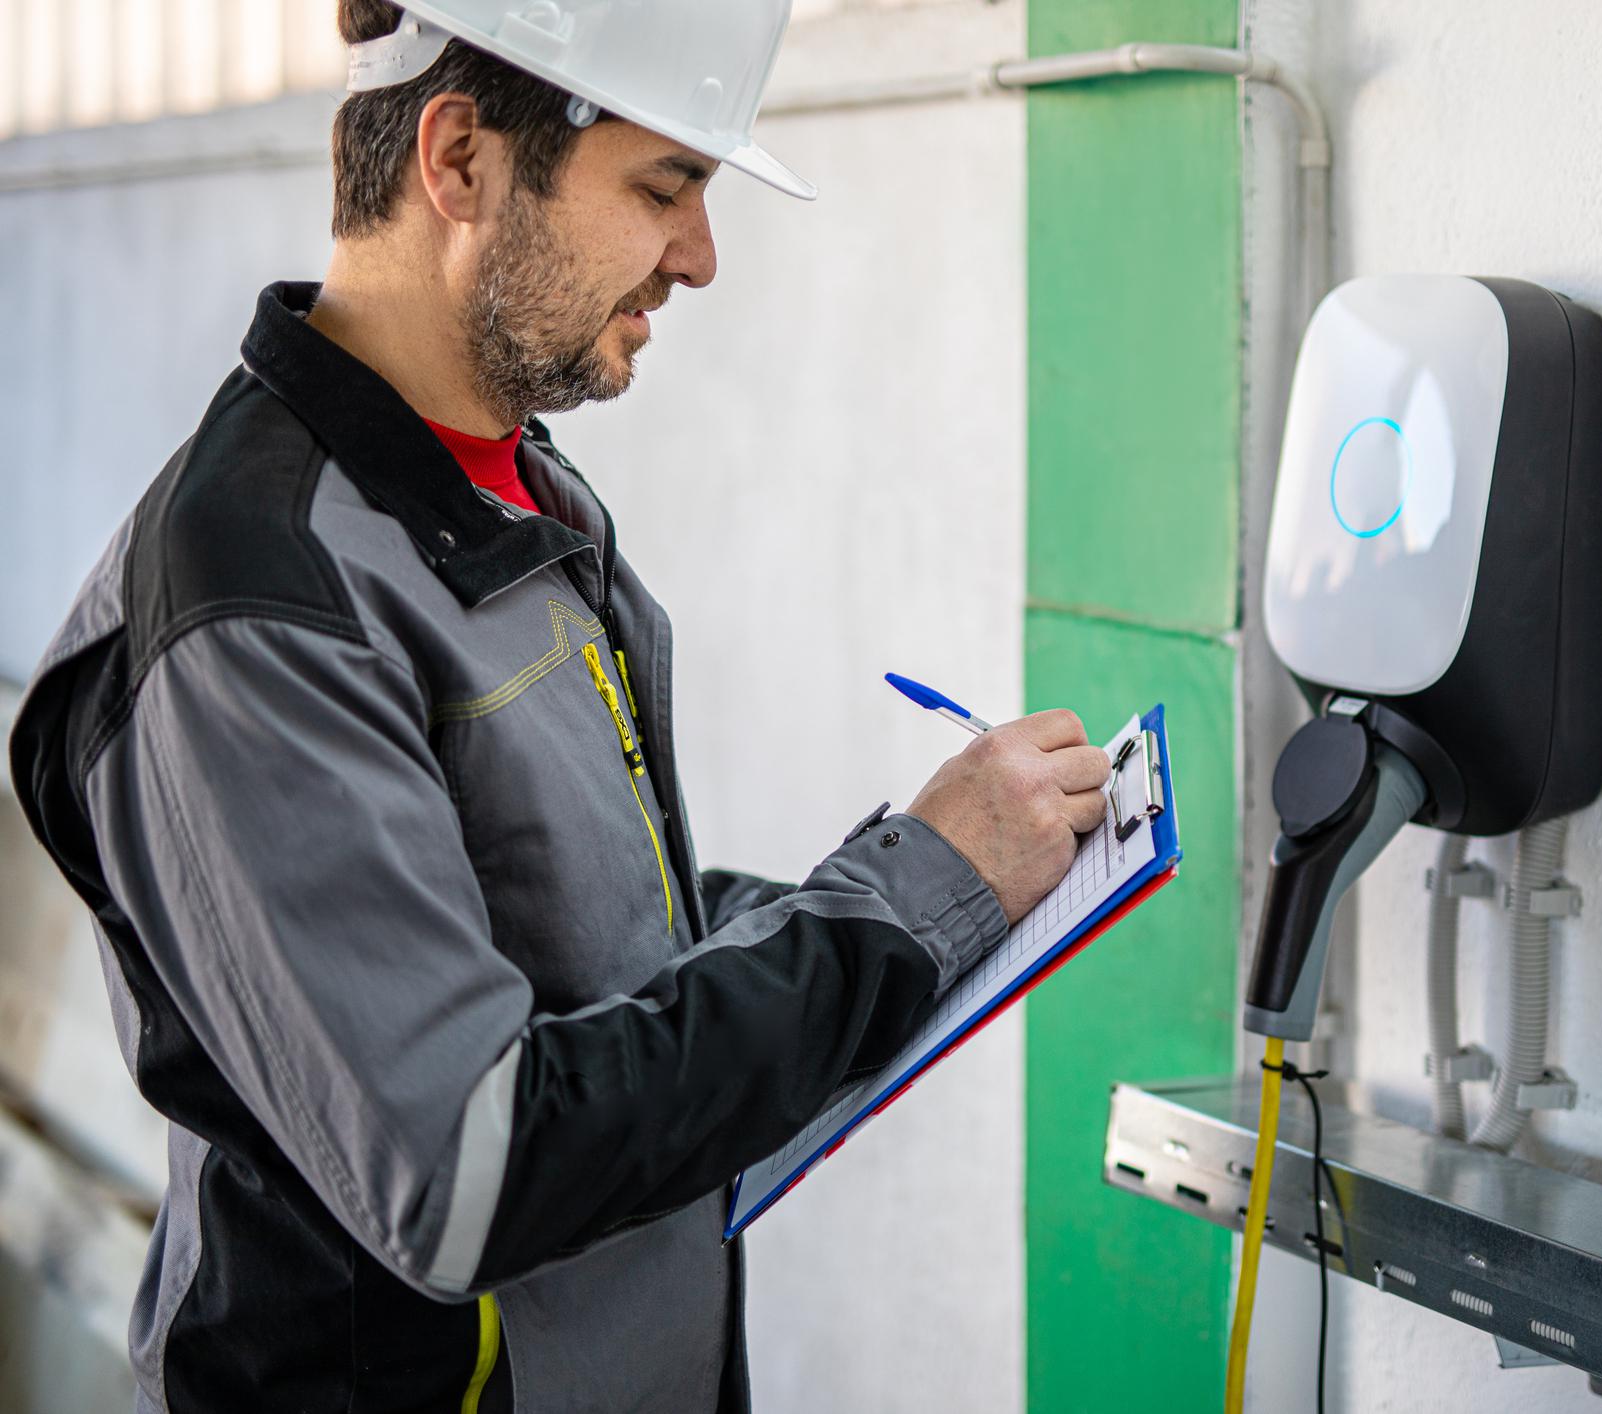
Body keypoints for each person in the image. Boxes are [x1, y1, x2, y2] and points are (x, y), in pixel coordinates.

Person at [7, 2, 1109, 1408]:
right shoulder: (253, 598)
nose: (699, 260)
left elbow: (586, 936)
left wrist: (939, 899)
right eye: (665, 188)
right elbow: (469, 1169)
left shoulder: (514, 489)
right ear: (459, 159)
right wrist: (898, 909)